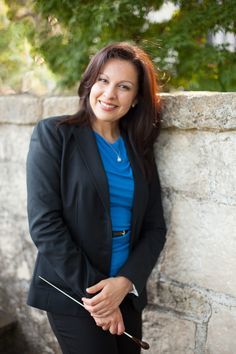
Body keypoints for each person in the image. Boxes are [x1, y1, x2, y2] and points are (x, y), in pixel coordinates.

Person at [26, 42, 167, 354]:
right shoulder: (53, 135)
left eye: (124, 86)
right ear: (89, 82)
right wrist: (101, 298)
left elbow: (155, 228)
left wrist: (124, 283)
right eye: (102, 80)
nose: (109, 94)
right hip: (72, 291)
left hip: (125, 291)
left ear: (136, 99)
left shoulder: (139, 149)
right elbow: (44, 225)